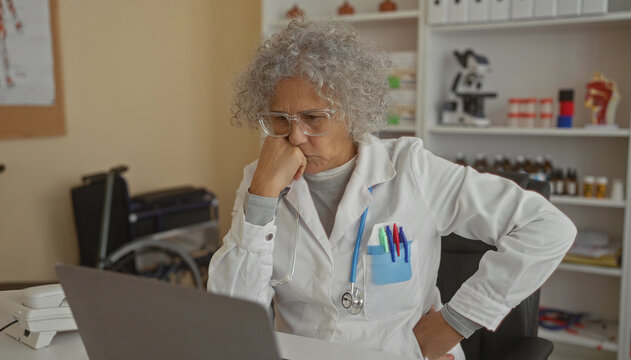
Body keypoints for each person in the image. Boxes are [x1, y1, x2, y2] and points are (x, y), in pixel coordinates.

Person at [207, 20, 576, 360]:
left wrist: (457, 321)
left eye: (313, 118)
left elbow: (546, 227)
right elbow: (232, 318)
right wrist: (262, 199)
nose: (296, 136)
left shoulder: (411, 169)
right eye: (280, 120)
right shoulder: (260, 181)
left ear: (352, 111)